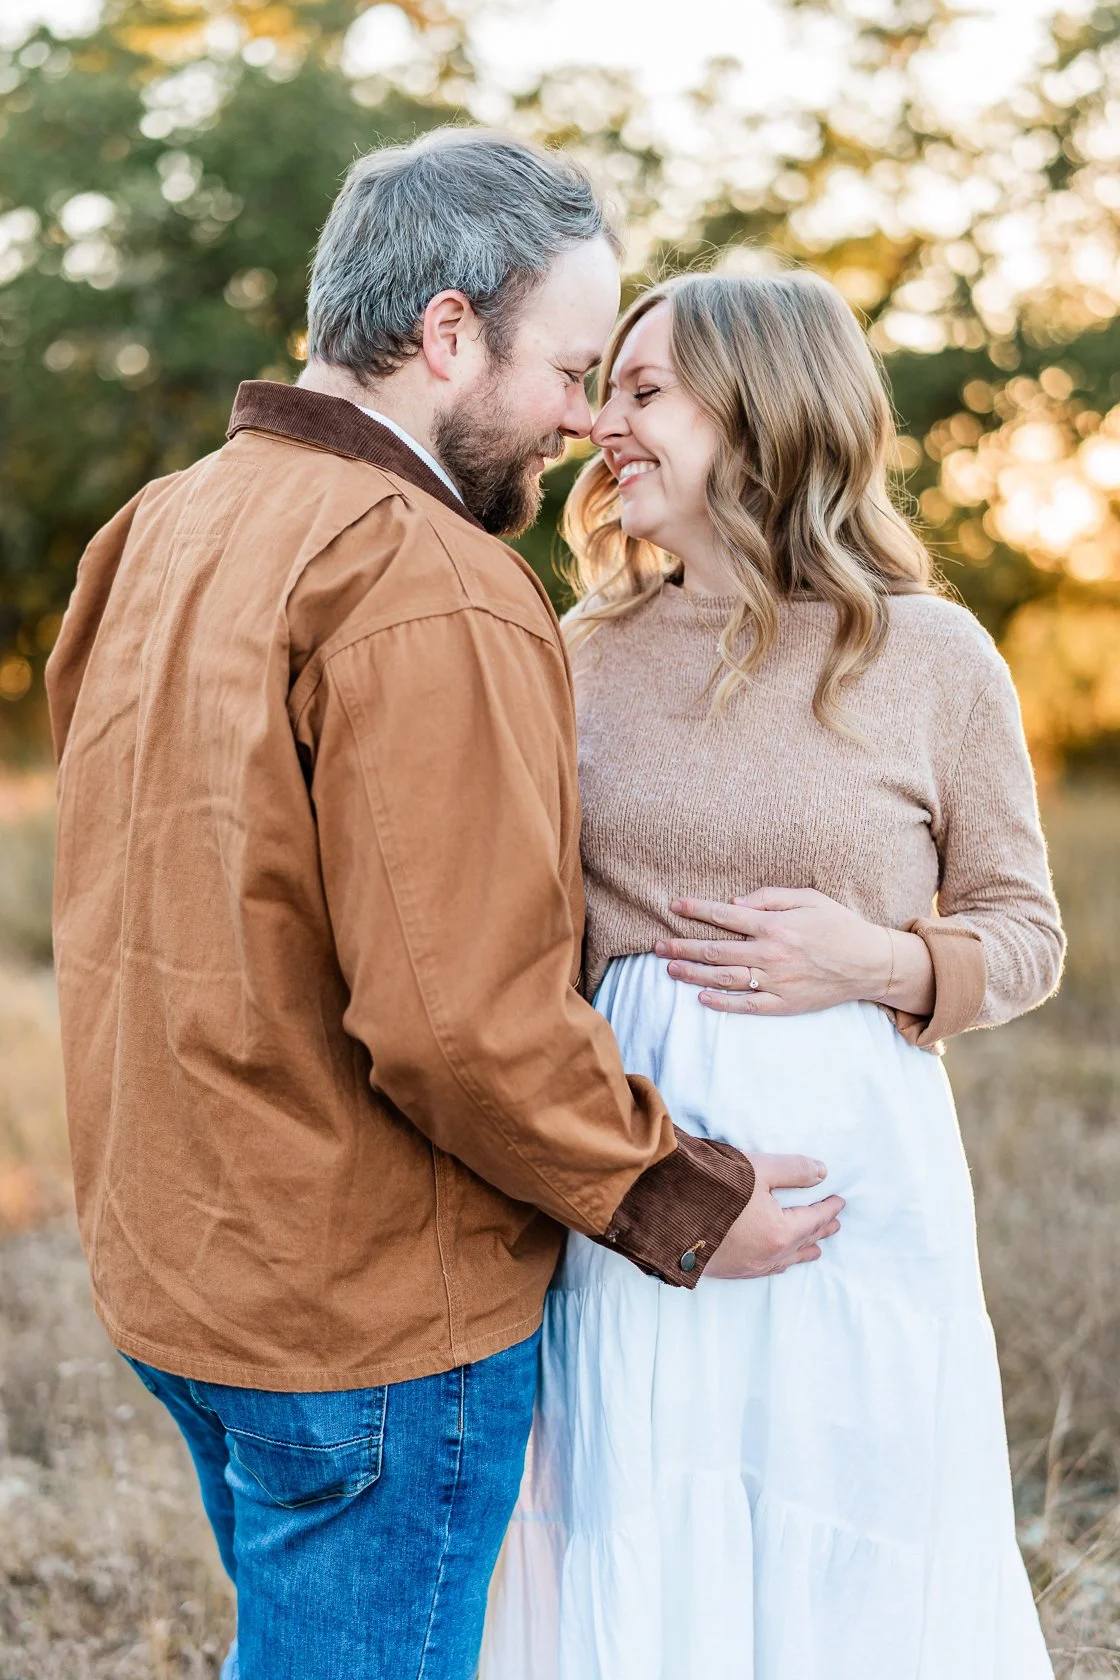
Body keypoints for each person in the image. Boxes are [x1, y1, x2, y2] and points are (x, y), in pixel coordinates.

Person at [44, 132, 855, 1680]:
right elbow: (458, 1019)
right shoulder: (433, 577)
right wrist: (683, 1198)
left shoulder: (158, 524)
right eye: (565, 365)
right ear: (444, 332)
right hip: (361, 1320)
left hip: (176, 1269)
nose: (580, 415)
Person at [480, 272, 1065, 1679]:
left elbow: (1027, 933)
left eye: (643, 390)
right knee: (644, 1518)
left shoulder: (927, 653)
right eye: (605, 388)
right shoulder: (576, 657)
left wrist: (883, 957)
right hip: (648, 1177)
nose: (602, 424)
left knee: (848, 1530)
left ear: (767, 408)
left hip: (855, 1191)